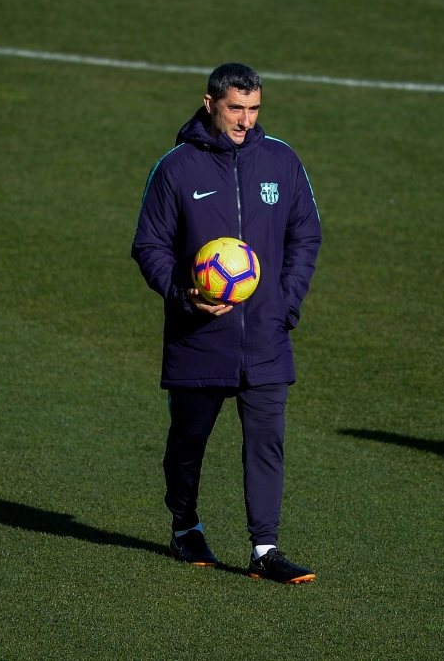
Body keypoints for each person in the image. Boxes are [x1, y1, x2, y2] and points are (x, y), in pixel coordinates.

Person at [131, 63, 322, 584]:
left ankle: (265, 549)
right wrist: (184, 295)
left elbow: (306, 233)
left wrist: (285, 303)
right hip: (199, 337)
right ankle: (185, 524)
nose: (245, 120)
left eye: (254, 109)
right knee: (187, 443)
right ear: (211, 103)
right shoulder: (176, 168)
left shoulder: (281, 161)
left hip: (266, 336)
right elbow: (149, 245)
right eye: (236, 108)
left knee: (266, 441)